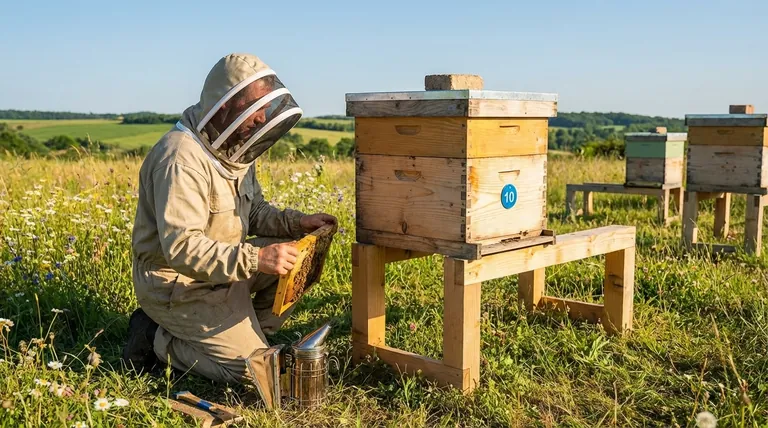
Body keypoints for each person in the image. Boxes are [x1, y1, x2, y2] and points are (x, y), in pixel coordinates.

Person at [122, 53, 337, 391]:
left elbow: (254, 213)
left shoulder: (231, 149)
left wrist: (299, 223)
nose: (263, 118)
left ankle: (249, 335)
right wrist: (258, 260)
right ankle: (157, 339)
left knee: (293, 260)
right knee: (257, 377)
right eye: (255, 110)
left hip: (225, 270)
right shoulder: (180, 158)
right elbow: (182, 249)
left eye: (266, 109)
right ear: (225, 107)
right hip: (178, 286)